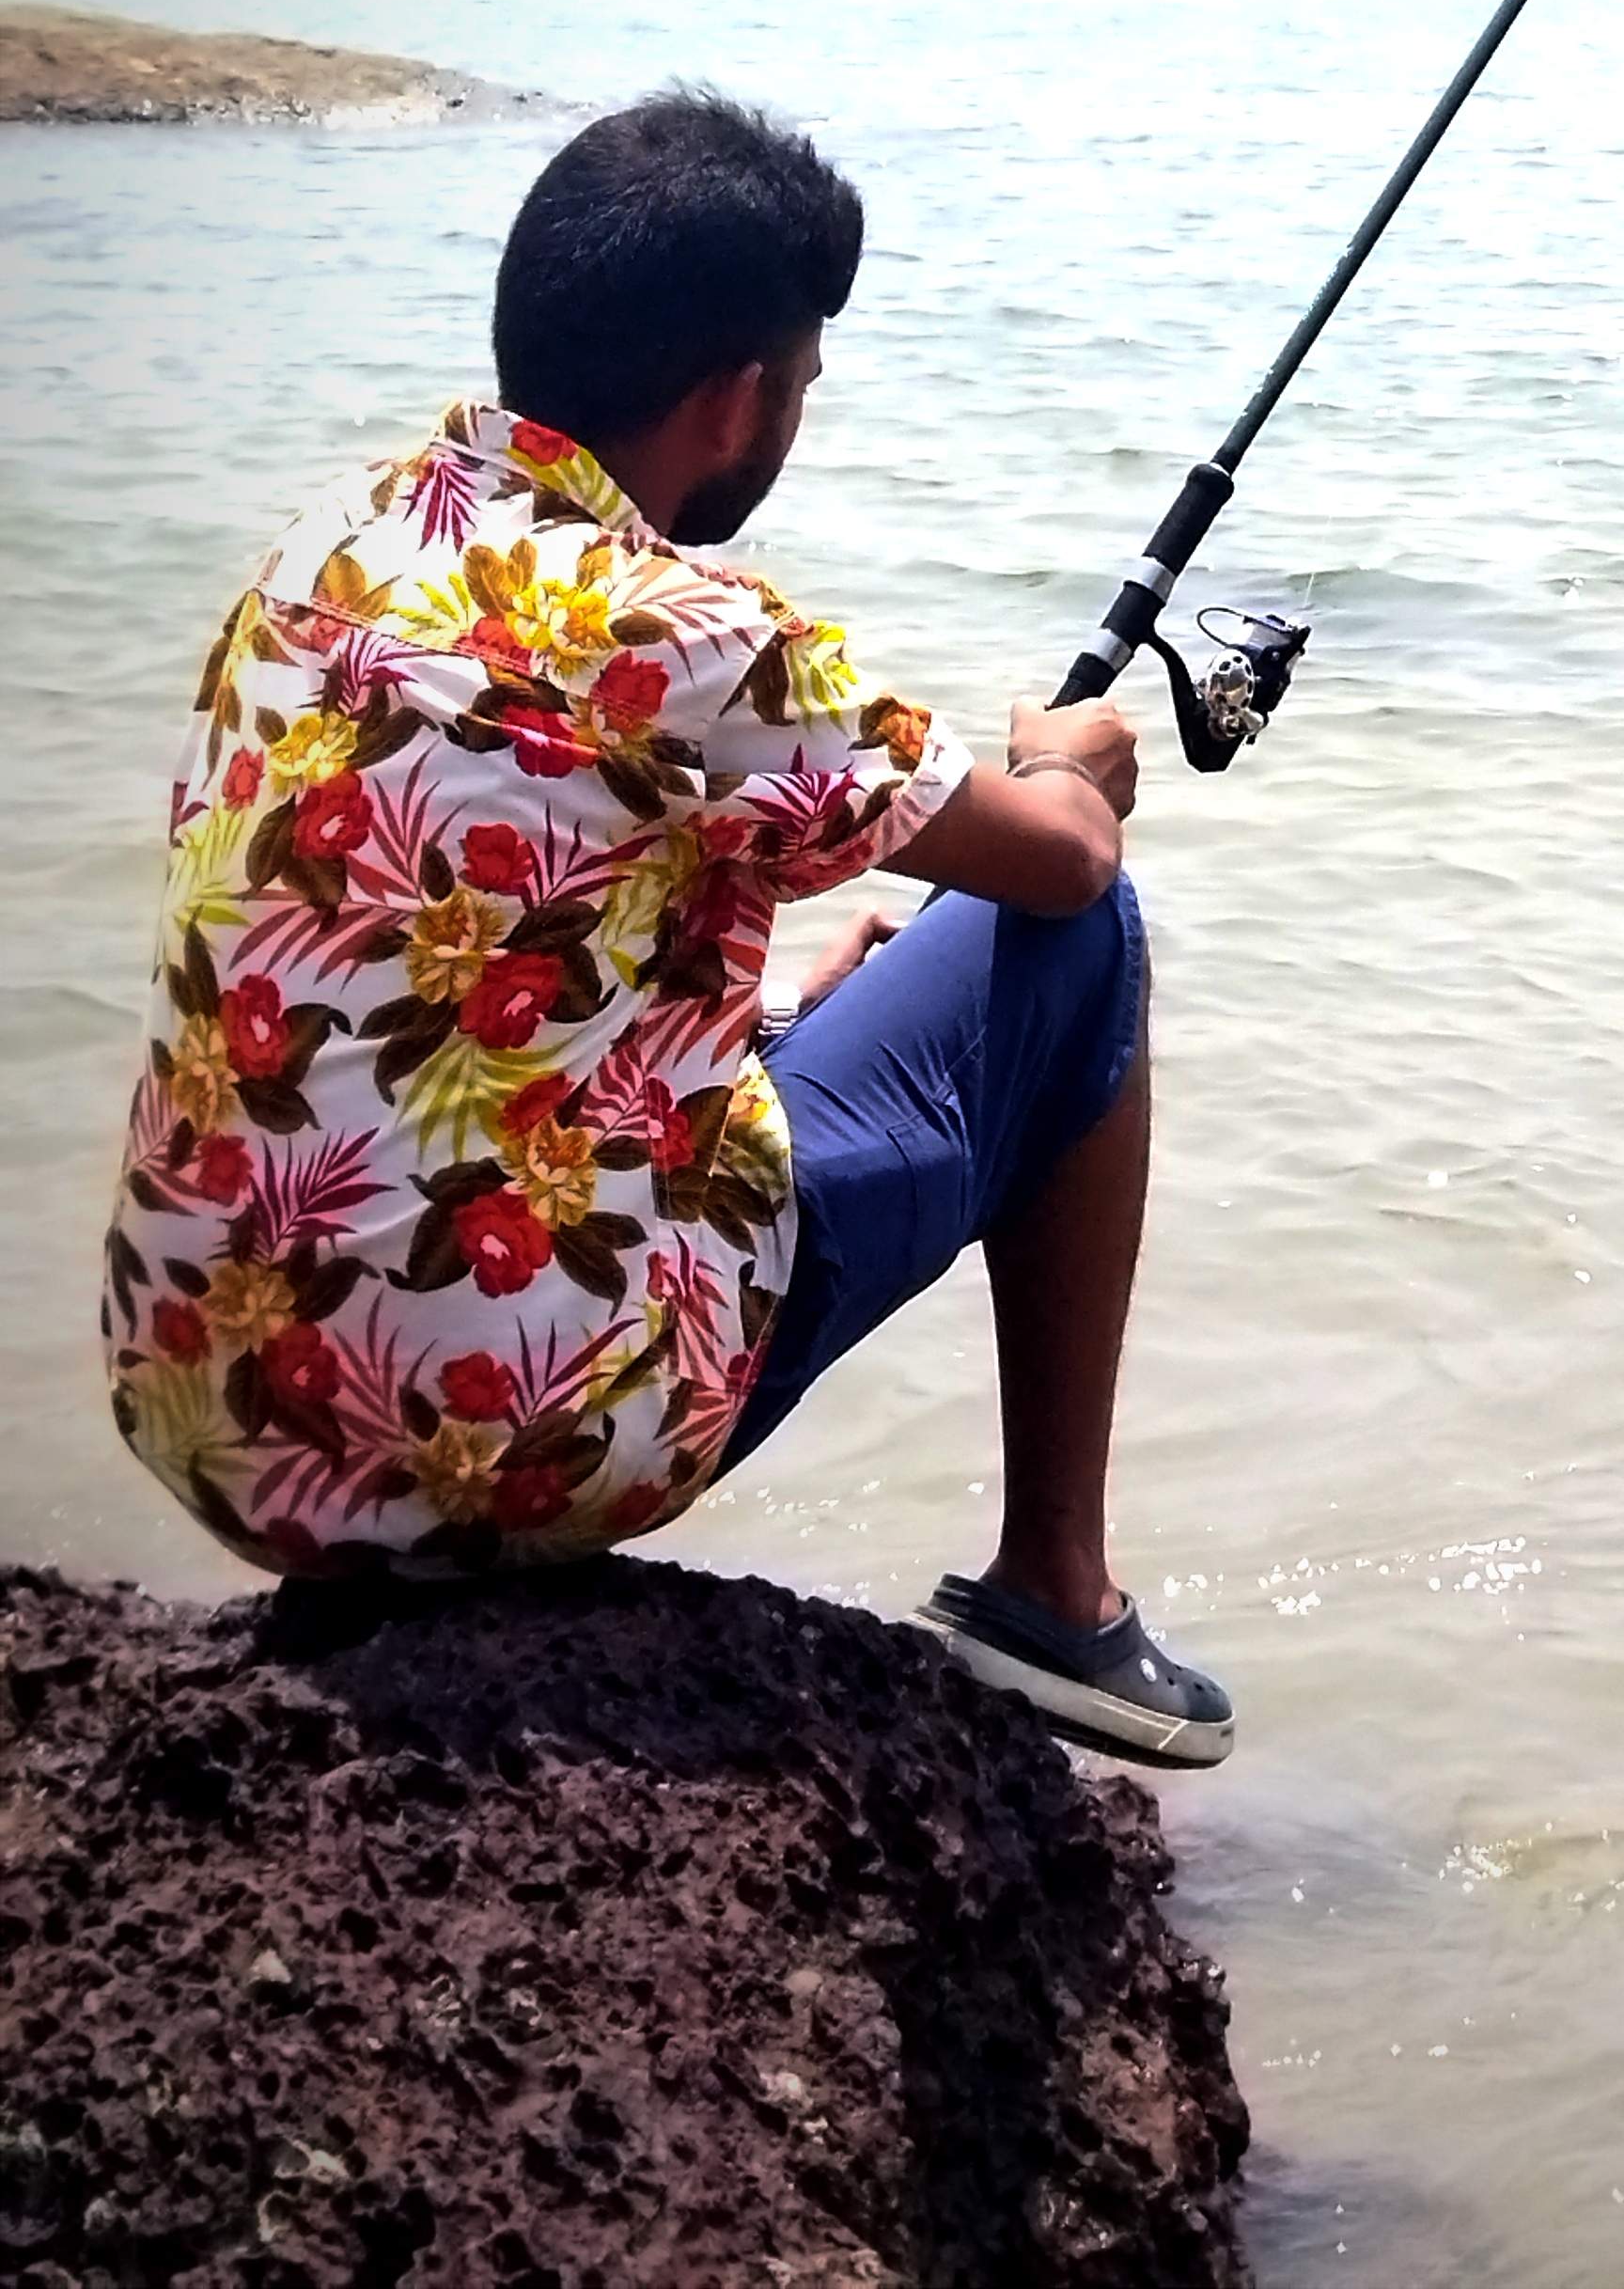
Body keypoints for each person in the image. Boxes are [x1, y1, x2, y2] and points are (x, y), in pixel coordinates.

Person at [100, 88, 1230, 1769]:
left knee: (838, 1003)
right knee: (1084, 946)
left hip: (206, 1418)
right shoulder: (695, 633)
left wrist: (762, 1010)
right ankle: (1055, 1591)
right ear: (738, 398)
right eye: (805, 393)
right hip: (511, 1445)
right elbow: (1057, 862)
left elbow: (448, 964)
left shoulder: (324, 550)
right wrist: (1065, 765)